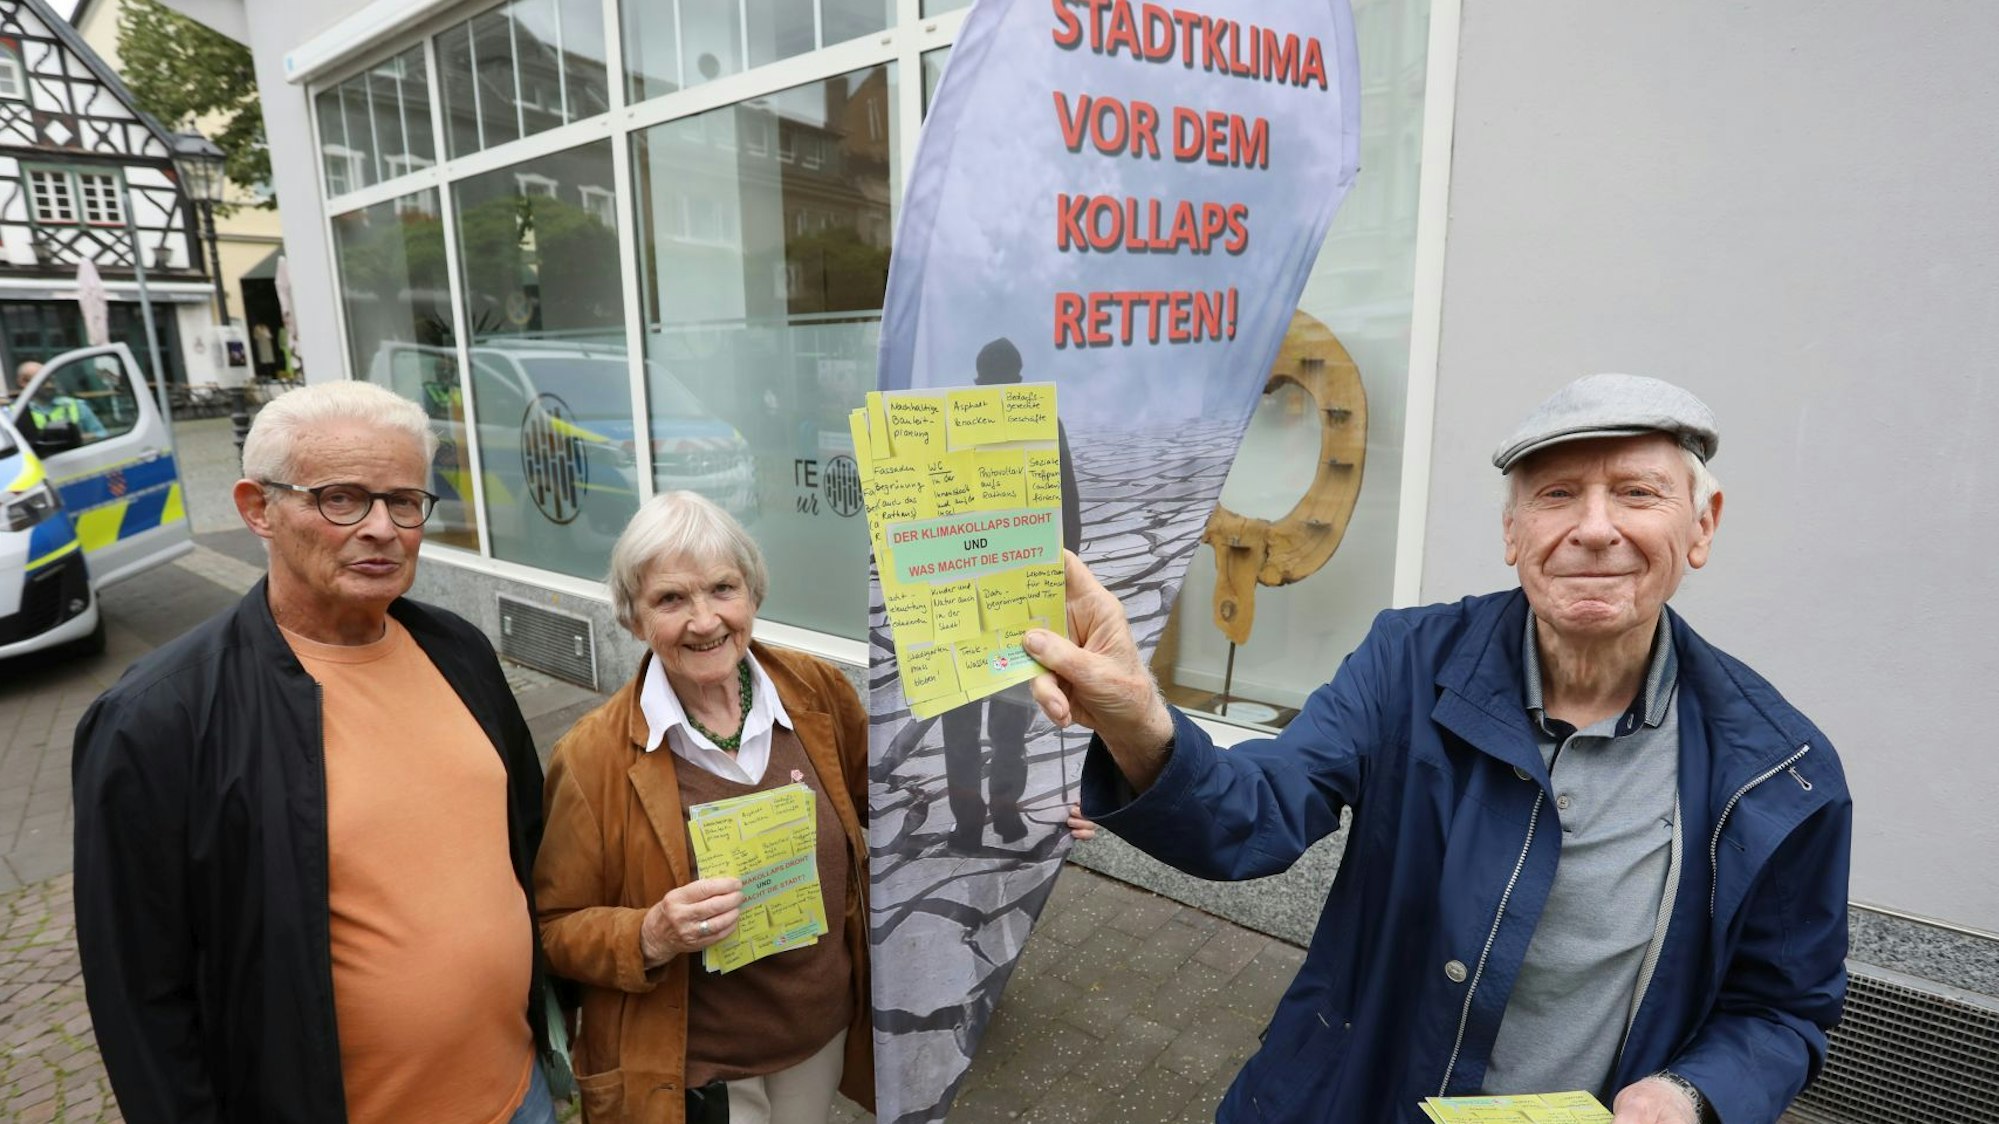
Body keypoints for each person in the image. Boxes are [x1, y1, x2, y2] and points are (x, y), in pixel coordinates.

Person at [1023, 374, 1851, 1124]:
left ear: (1701, 525)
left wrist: (1693, 1094)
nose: (1594, 529)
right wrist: (1136, 717)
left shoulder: (1777, 770)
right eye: (1557, 494)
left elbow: (1781, 1009)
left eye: (1637, 493)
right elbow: (1255, 817)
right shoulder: (1408, 662)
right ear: (1512, 531)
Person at [72, 381, 559, 1124]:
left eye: (404, 501)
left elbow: (526, 843)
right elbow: (140, 992)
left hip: (517, 1097)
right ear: (257, 509)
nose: (382, 529)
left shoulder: (457, 651)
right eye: (341, 498)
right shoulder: (158, 719)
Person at [535, 491, 872, 1123]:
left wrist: (1020, 817)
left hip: (818, 1031)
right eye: (670, 599)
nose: (705, 620)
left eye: (723, 588)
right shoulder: (591, 758)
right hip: (697, 1065)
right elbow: (554, 929)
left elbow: (883, 802)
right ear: (634, 618)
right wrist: (650, 933)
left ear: (753, 594)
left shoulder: (815, 691)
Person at [940, 336, 1083, 849]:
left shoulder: (954, 427)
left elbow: (1066, 517)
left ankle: (979, 819)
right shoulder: (1040, 426)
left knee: (979, 721)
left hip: (968, 600)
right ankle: (997, 813)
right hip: (1002, 603)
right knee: (1000, 720)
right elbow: (1071, 524)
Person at [20, 361, 108, 441]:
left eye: (52, 380)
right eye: (43, 382)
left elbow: (102, 434)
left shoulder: (76, 405)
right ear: (24, 382)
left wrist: (78, 437)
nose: (50, 386)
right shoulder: (16, 413)